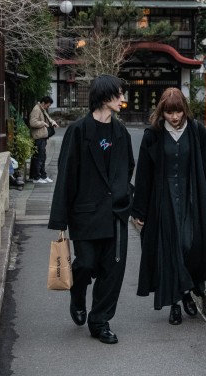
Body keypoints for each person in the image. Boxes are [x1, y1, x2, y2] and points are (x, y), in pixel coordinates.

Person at [48, 75, 135, 344]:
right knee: (85, 264)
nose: (123, 99)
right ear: (104, 96)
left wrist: (125, 198)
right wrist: (60, 218)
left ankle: (100, 321)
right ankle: (77, 294)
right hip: (85, 213)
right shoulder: (79, 131)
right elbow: (66, 174)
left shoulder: (121, 133)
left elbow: (128, 167)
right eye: (119, 94)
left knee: (113, 270)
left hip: (115, 213)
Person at [132, 87, 206, 326]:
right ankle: (177, 301)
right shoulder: (153, 135)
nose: (174, 117)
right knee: (169, 249)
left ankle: (185, 291)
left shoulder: (196, 132)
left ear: (184, 109)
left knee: (189, 244)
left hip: (190, 196)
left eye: (178, 112)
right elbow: (143, 174)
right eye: (169, 112)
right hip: (162, 199)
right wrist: (139, 210)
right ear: (162, 112)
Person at [28, 95, 59, 184]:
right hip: (38, 136)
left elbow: (48, 118)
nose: (48, 107)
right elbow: (32, 122)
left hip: (42, 136)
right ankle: (37, 177)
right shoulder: (36, 109)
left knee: (42, 157)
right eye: (48, 105)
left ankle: (42, 175)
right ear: (43, 103)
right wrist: (43, 123)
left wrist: (52, 122)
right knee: (39, 157)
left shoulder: (41, 109)